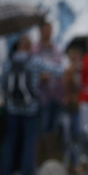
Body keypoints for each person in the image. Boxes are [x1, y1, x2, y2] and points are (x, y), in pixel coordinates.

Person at [0, 35, 63, 175]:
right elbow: (58, 71)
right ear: (28, 46)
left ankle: (5, 173)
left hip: (11, 107)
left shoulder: (7, 62)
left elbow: (3, 83)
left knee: (10, 139)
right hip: (31, 107)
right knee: (29, 140)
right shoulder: (34, 61)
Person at [33, 22, 64, 160]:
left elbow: (60, 69)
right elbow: (32, 71)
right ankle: (41, 160)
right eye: (46, 30)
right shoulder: (35, 50)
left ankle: (51, 159)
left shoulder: (56, 49)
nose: (48, 33)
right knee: (42, 129)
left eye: (50, 30)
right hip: (42, 96)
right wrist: (40, 77)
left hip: (55, 95)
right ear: (40, 31)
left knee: (53, 128)